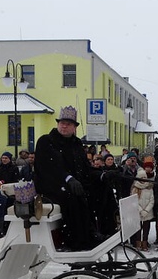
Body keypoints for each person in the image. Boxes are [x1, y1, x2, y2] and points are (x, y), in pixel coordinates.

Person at [34, 106, 112, 251]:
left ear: (74, 127)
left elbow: (84, 169)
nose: (64, 126)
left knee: (101, 190)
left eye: (68, 124)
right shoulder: (46, 141)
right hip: (51, 187)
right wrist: (68, 179)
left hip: (73, 184)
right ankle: (76, 241)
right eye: (62, 122)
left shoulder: (76, 144)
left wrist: (101, 175)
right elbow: (49, 168)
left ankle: (103, 230)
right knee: (73, 195)